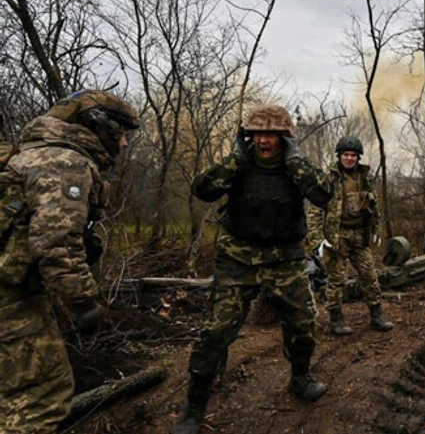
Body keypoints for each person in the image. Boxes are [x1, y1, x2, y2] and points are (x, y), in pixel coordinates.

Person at [174, 105, 333, 434]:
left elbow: (324, 195)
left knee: (304, 323)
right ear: (247, 136)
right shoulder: (239, 164)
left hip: (285, 259)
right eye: (257, 134)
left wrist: (295, 163)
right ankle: (195, 403)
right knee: (215, 332)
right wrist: (235, 160)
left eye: (271, 135)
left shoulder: (294, 167)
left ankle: (300, 377)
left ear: (283, 138)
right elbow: (202, 189)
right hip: (238, 258)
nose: (263, 141)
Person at [0, 90, 139, 433]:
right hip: (9, 301)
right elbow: (57, 246)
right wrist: (88, 309)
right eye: (121, 134)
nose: (123, 144)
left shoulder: (29, 156)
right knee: (42, 396)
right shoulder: (65, 164)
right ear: (99, 127)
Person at [308, 135, 393, 336]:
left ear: (358, 157)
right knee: (336, 279)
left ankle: (376, 315)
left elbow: (374, 206)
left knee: (369, 275)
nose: (349, 159)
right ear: (339, 156)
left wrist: (376, 229)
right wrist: (317, 239)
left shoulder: (365, 178)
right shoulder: (329, 178)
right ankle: (336, 320)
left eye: (353, 155)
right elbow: (315, 209)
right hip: (337, 236)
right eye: (345, 155)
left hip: (359, 235)